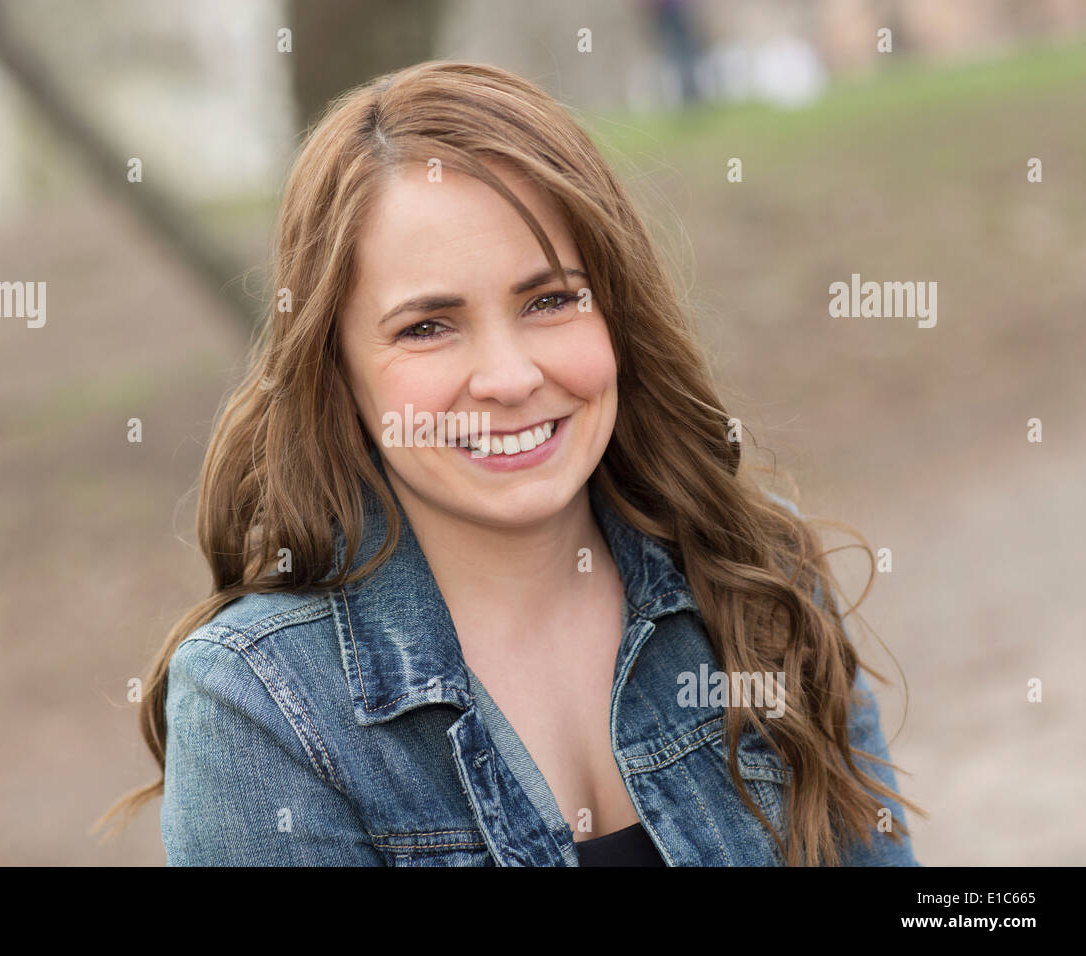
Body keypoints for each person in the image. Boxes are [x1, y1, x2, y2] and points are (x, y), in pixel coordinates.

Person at [100, 60, 924, 866]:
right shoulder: (262, 705)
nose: (511, 378)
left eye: (550, 300)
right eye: (427, 326)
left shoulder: (756, 582)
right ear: (336, 370)